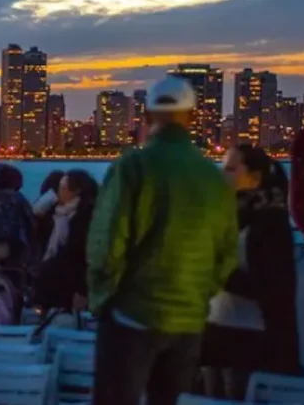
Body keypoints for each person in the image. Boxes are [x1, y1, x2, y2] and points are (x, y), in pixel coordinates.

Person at [88, 76, 238, 405]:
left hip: (131, 315)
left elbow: (105, 245)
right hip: (188, 320)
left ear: (146, 117)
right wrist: (198, 293)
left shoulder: (133, 167)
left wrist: (103, 298)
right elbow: (227, 254)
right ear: (193, 117)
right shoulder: (214, 179)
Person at [202, 145, 300, 399]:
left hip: (251, 339)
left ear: (255, 177)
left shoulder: (270, 223)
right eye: (222, 167)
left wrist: (220, 273)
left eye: (232, 169)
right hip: (213, 330)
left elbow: (277, 289)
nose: (222, 175)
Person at [34, 170, 98, 313]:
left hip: (72, 283)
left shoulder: (85, 216)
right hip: (52, 279)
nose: (58, 192)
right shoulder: (56, 213)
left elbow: (82, 254)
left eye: (63, 188)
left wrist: (82, 290)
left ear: (76, 191)